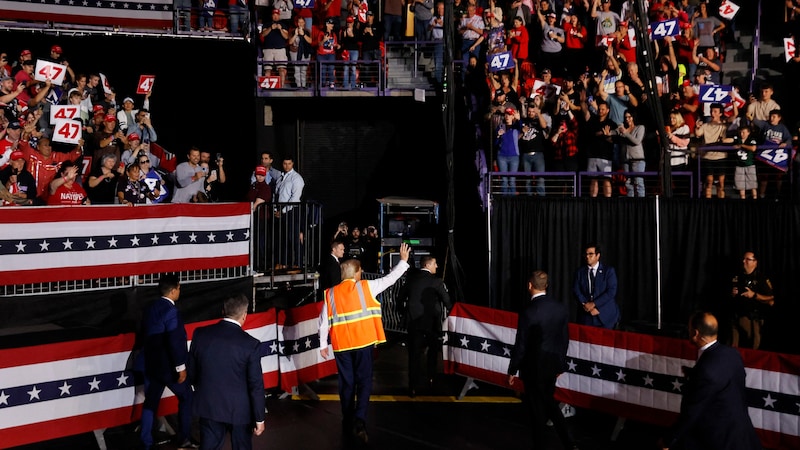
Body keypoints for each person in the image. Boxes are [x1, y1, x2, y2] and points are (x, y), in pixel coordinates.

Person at [318, 243, 411, 444]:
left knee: (346, 383)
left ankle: (347, 417)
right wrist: (403, 262)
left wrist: (322, 344)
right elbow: (389, 280)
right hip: (363, 342)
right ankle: (359, 420)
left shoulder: (330, 293)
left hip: (341, 345)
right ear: (357, 273)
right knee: (364, 381)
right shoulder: (366, 286)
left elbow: (323, 321)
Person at [658, 311, 760, 450]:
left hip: (718, 440)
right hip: (742, 434)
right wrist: (694, 374)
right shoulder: (732, 354)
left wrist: (668, 440)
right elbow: (720, 378)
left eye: (688, 329)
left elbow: (692, 412)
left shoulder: (706, 371)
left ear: (695, 333)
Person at [188, 294, 266, 450]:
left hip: (209, 407)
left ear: (223, 310)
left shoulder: (200, 334)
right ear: (244, 316)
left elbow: (191, 373)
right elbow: (255, 385)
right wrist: (259, 418)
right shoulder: (251, 345)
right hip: (240, 412)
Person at [507, 270, 575, 450]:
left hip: (532, 368)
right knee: (549, 403)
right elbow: (564, 340)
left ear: (530, 285)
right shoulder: (560, 308)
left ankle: (547, 444)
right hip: (552, 366)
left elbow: (521, 343)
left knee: (538, 410)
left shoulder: (528, 312)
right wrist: (561, 364)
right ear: (546, 286)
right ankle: (569, 443)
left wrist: (513, 369)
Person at [137, 274, 194, 450]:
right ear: (173, 289)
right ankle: (184, 439)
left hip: (150, 365)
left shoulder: (150, 308)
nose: (180, 290)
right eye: (179, 287)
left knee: (151, 402)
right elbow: (175, 341)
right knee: (187, 397)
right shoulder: (171, 311)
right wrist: (181, 368)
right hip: (168, 368)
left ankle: (145, 441)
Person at [398, 255, 452, 397]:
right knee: (432, 354)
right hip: (432, 325)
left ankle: (413, 387)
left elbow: (399, 299)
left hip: (413, 324)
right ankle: (431, 380)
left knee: (413, 356)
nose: (437, 266)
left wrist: (405, 313)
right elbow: (447, 301)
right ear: (428, 265)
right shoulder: (436, 282)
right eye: (435, 264)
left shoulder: (411, 280)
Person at [730, 251, 774, 350]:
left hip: (753, 318)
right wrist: (732, 294)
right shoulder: (737, 276)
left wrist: (754, 295)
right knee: (734, 347)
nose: (743, 261)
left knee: (752, 348)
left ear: (755, 262)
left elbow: (771, 299)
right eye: (743, 259)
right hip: (736, 317)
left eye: (747, 259)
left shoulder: (761, 279)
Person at [573, 243, 619, 329]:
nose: (587, 256)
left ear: (598, 256)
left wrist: (594, 304)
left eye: (591, 254)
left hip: (605, 316)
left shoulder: (608, 271)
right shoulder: (580, 272)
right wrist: (588, 306)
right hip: (586, 317)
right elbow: (576, 290)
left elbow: (611, 291)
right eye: (586, 254)